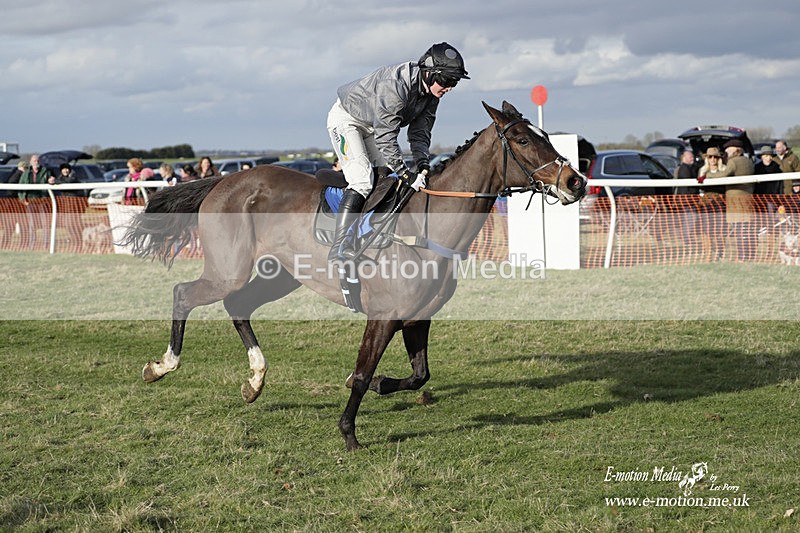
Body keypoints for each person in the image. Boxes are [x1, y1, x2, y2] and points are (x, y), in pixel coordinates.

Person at [325, 42, 469, 262]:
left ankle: (365, 238)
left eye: (455, 82)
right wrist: (406, 173)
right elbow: (386, 137)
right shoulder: (395, 87)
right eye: (447, 80)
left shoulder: (431, 95)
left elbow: (419, 133)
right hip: (346, 120)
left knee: (385, 178)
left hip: (372, 125)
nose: (450, 87)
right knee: (363, 181)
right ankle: (340, 247)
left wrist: (422, 163)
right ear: (430, 74)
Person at [709, 139, 756, 261]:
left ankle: (742, 256)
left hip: (735, 202)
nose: (726, 152)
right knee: (747, 231)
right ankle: (750, 255)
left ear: (736, 150)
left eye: (728, 150)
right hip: (748, 200)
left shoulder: (733, 162)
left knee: (740, 232)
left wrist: (706, 176)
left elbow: (722, 175)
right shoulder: (749, 161)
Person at [17, 155, 53, 248]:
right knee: (32, 224)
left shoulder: (46, 171)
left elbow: (52, 180)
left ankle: (46, 245)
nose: (36, 162)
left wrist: (52, 180)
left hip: (42, 201)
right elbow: (20, 186)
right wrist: (22, 199)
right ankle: (32, 244)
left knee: (45, 224)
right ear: (31, 162)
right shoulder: (26, 173)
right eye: (34, 160)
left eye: (37, 160)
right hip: (30, 202)